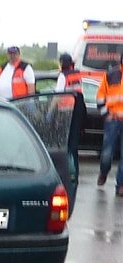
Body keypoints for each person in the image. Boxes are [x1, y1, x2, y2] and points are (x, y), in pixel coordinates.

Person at [54, 53, 86, 182]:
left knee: (64, 146)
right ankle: (75, 174)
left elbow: (57, 96)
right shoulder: (77, 74)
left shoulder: (63, 76)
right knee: (73, 147)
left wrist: (49, 113)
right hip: (78, 111)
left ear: (61, 62)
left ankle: (66, 174)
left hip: (66, 114)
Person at [96, 52, 123, 195]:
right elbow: (100, 97)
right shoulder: (110, 75)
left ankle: (120, 185)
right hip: (112, 120)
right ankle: (104, 171)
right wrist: (106, 114)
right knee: (107, 153)